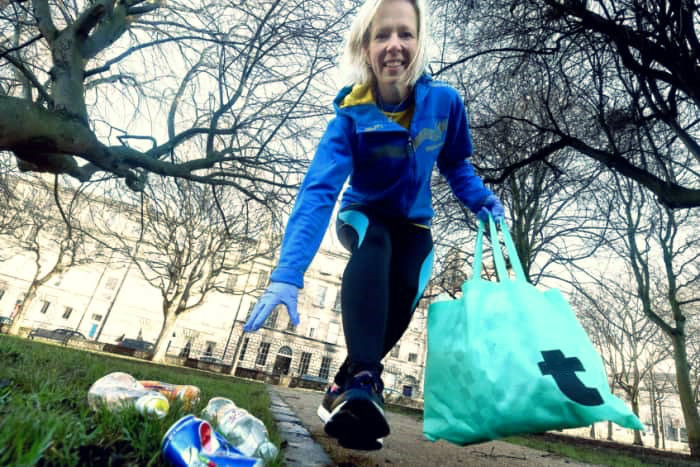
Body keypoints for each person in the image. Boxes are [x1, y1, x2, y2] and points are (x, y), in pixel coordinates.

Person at [242, 0, 504, 451]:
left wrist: (481, 201)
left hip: (416, 225)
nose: (394, 46)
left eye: (405, 33)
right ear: (365, 48)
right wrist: (288, 273)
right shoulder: (350, 115)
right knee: (377, 245)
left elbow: (456, 163)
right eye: (382, 35)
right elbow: (318, 192)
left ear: (419, 43)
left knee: (406, 286)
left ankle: (345, 387)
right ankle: (366, 379)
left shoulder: (445, 102)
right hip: (362, 214)